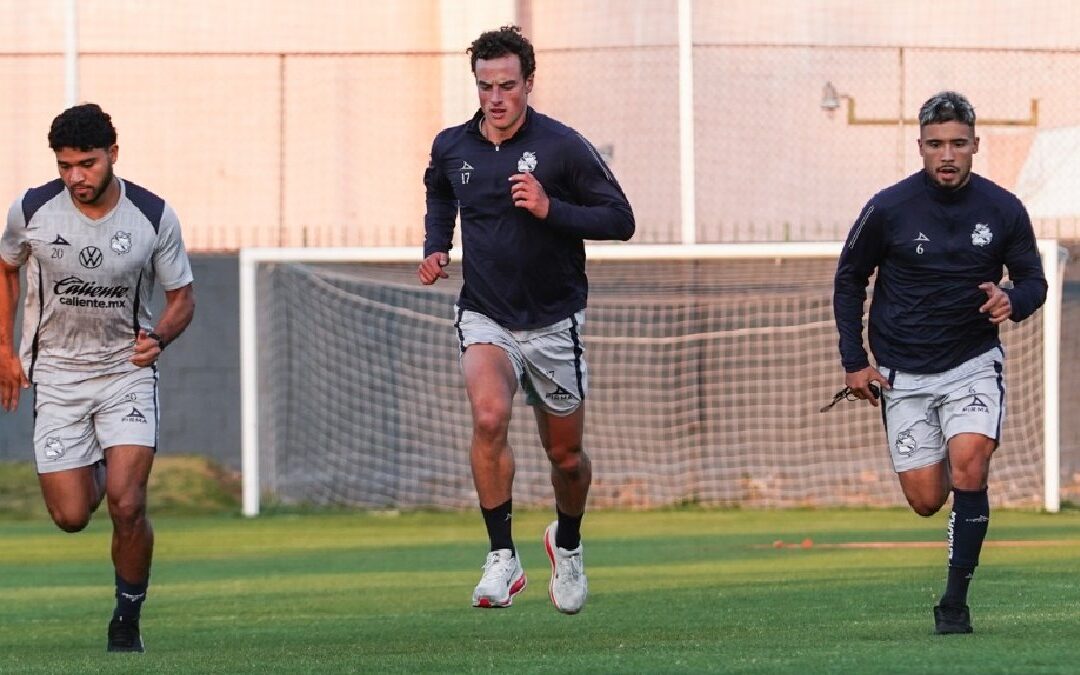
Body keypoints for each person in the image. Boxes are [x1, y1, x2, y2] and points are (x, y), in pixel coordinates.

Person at [419, 26, 634, 614]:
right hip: (485, 312)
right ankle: (501, 557)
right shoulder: (452, 146)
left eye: (507, 85)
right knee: (489, 416)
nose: (495, 97)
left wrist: (549, 208)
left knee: (565, 457)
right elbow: (439, 194)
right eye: (486, 85)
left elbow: (620, 219)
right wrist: (436, 245)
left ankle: (566, 541)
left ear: (528, 83)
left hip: (553, 320)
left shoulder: (563, 146)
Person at [833, 91, 1046, 635]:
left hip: (972, 362)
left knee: (971, 466)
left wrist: (1012, 300)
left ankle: (954, 603)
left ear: (975, 145)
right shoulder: (888, 208)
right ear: (920, 147)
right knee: (927, 500)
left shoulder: (1003, 209)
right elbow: (849, 279)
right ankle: (954, 480)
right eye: (935, 145)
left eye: (957, 143)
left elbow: (1034, 282)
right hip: (904, 371)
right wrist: (855, 362)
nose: (946, 154)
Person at [0, 103, 195, 652]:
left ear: (112, 154)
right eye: (65, 166)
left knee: (127, 502)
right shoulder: (32, 209)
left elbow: (183, 299)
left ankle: (127, 617)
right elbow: (6, 266)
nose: (76, 177)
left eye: (86, 164)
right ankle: (101, 461)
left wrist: (159, 337)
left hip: (124, 373)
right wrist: (5, 350)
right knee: (69, 516)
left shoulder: (153, 215)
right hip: (58, 376)